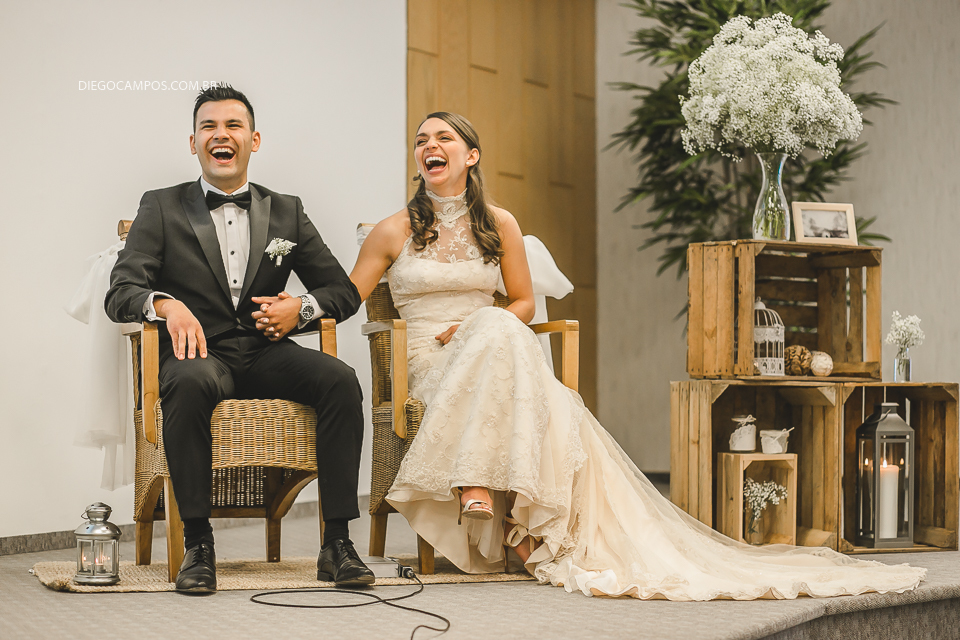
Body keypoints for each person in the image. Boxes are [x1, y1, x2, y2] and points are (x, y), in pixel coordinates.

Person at [348, 111, 926, 600]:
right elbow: (348, 295)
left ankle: (490, 501)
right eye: (421, 141)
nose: (429, 147)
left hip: (490, 345)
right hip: (427, 362)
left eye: (443, 138)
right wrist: (300, 308)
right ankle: (513, 526)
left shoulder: (501, 225)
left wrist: (479, 322)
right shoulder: (393, 230)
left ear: (471, 156)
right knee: (512, 352)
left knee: (498, 328)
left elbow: (522, 302)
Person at [105, 84, 373, 593]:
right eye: (209, 127)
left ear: (253, 139)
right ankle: (199, 546)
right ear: (193, 142)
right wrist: (163, 304)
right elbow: (121, 291)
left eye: (232, 126)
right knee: (186, 385)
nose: (220, 135)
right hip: (197, 354)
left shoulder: (287, 211)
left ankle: (337, 542)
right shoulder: (160, 206)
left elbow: (341, 289)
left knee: (340, 380)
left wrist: (302, 308)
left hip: (266, 350)